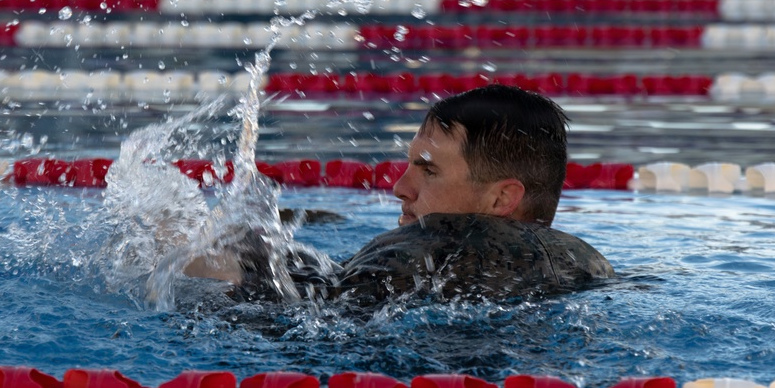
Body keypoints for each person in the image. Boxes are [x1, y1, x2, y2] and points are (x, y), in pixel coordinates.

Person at [197, 84, 615, 304]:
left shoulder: (435, 250)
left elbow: (287, 310)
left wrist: (222, 260)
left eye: (428, 170)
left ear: (502, 199)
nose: (399, 188)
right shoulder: (586, 268)